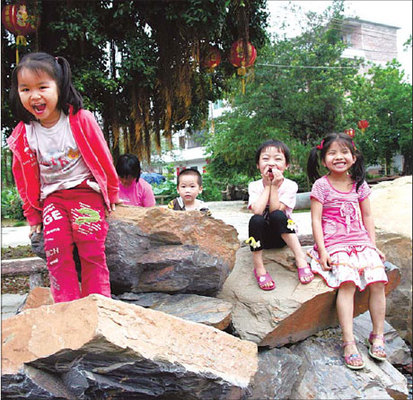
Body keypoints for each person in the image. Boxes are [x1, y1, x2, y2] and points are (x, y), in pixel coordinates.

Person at [7, 52, 119, 303]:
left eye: (42, 87)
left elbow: (103, 158)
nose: (34, 96)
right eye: (25, 89)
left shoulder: (80, 120)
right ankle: (66, 309)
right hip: (53, 201)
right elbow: (22, 179)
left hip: (86, 193)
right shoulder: (24, 134)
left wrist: (111, 194)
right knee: (57, 253)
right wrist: (33, 214)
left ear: (60, 87)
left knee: (91, 250)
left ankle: (100, 307)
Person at [307, 132, 388, 370]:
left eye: (344, 152)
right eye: (332, 153)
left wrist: (372, 246)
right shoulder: (321, 185)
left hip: (361, 241)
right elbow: (315, 220)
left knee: (378, 281)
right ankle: (349, 342)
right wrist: (322, 251)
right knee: (348, 282)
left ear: (353, 157)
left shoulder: (359, 184)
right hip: (335, 244)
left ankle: (378, 335)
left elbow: (368, 216)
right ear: (323, 160)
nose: (339, 157)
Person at [247, 139, 313, 291]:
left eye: (277, 159)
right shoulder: (254, 186)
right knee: (255, 219)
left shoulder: (290, 185)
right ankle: (259, 267)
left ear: (286, 165)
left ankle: (300, 258)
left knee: (277, 215)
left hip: (282, 236)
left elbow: (275, 211)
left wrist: (275, 187)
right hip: (262, 238)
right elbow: (257, 210)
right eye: (265, 159)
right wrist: (268, 186)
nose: (271, 163)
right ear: (258, 165)